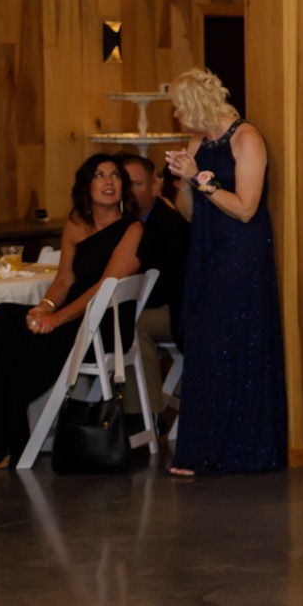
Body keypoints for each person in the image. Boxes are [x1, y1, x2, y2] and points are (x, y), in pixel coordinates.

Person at [164, 67, 286, 475]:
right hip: (207, 250)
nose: (177, 115)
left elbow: (247, 208)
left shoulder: (246, 137)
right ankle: (202, 448)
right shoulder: (198, 140)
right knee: (202, 342)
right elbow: (187, 213)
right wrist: (183, 182)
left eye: (179, 107)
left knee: (236, 342)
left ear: (196, 104)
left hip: (241, 253)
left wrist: (199, 180)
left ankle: (239, 450)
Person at [0, 155, 144, 469]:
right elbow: (64, 281)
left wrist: (56, 319)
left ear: (122, 186)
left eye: (115, 175)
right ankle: (4, 442)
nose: (109, 181)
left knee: (16, 354)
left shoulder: (133, 229)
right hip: (72, 316)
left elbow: (103, 288)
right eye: (100, 175)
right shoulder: (76, 223)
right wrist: (42, 309)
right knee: (3, 319)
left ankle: (1, 445)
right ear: (87, 186)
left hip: (103, 325)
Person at [115, 153, 192, 421]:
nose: (129, 191)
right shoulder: (121, 222)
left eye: (136, 184)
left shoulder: (168, 225)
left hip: (178, 310)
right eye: (124, 184)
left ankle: (145, 416)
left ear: (153, 187)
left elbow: (164, 288)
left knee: (134, 325)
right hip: (147, 304)